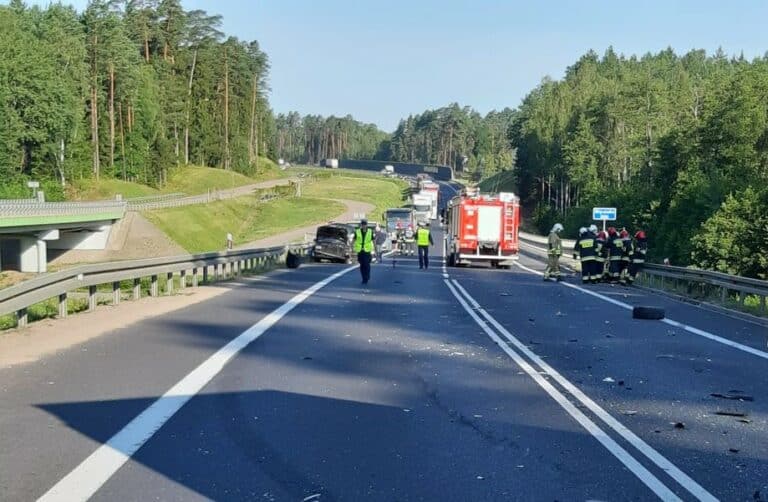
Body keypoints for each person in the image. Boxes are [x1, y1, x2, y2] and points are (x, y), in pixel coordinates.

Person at [353, 218, 374, 284]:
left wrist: (375, 250)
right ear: (361, 225)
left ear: (367, 225)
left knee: (367, 264)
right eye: (363, 224)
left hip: (367, 250)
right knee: (362, 265)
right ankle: (364, 278)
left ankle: (367, 276)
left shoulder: (370, 231)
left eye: (365, 224)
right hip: (360, 251)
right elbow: (354, 240)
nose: (364, 226)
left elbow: (373, 241)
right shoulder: (357, 231)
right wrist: (352, 248)